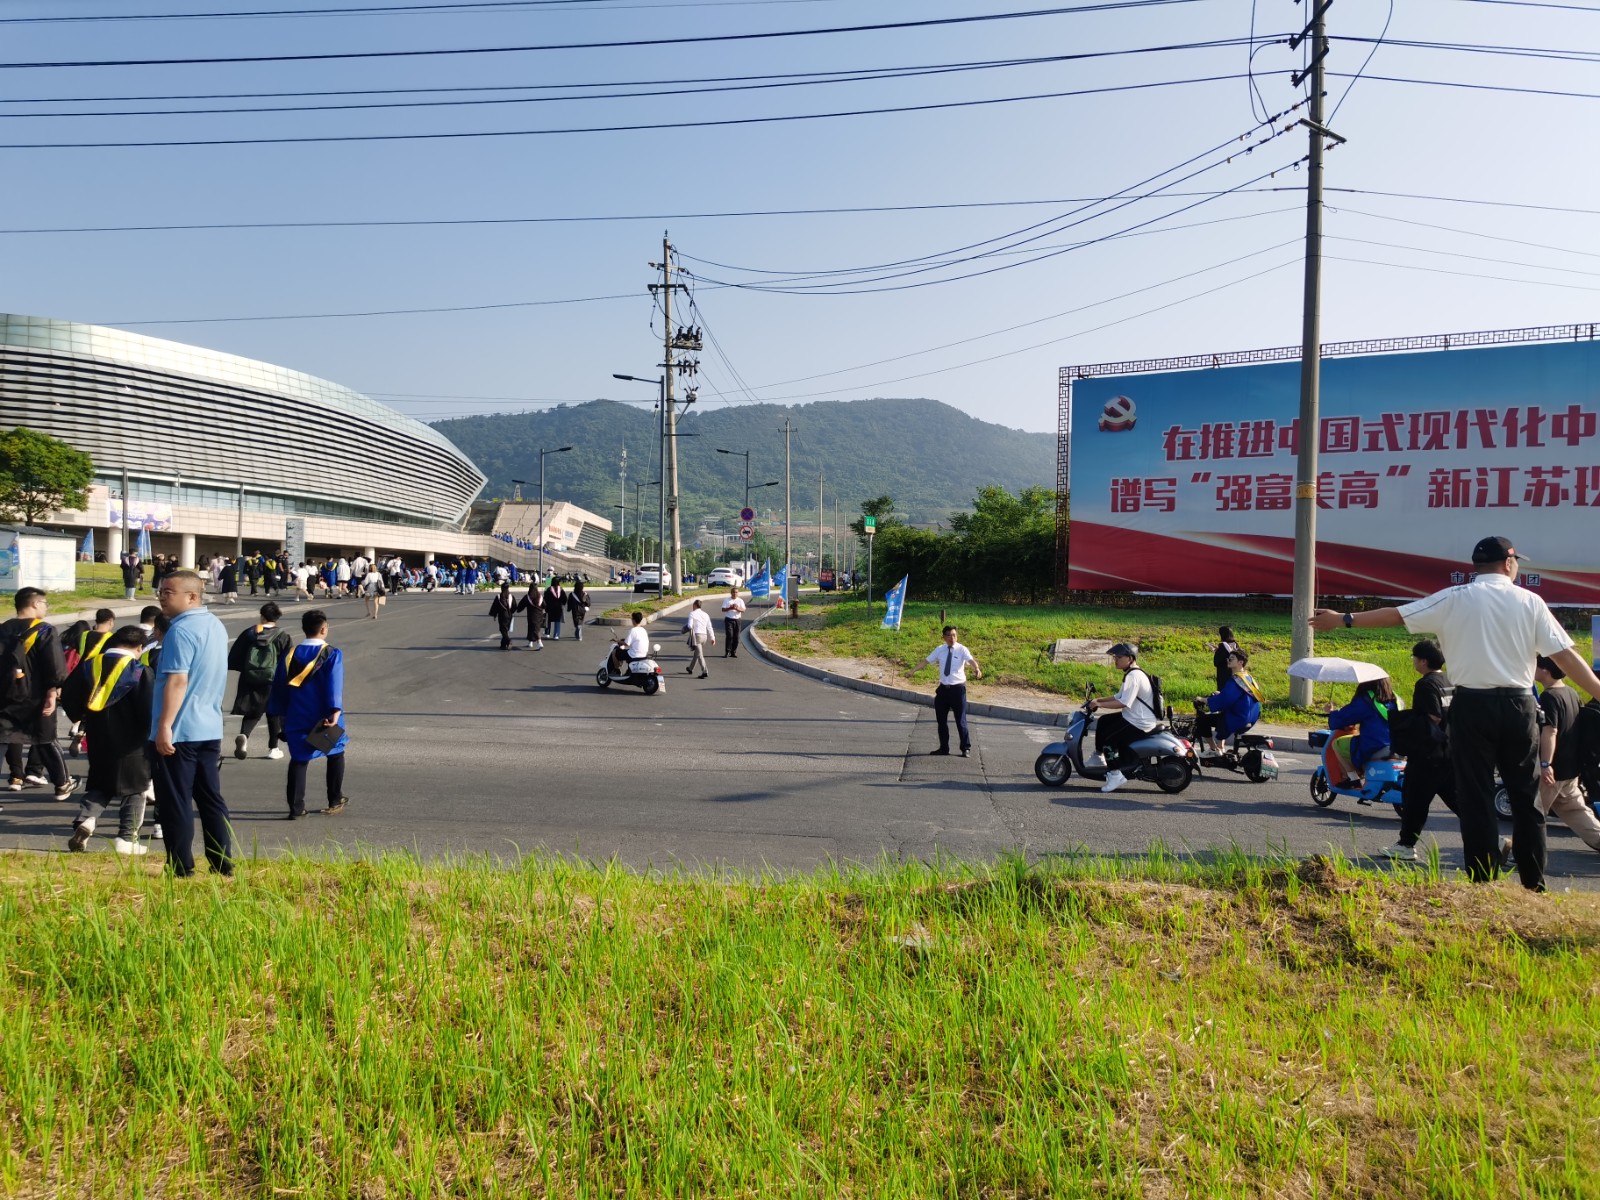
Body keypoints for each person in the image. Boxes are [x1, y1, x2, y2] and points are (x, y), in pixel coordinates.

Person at [1311, 534, 1600, 890]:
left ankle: (1482, 880)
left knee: (1476, 795)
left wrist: (1343, 619)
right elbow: (1566, 656)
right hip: (1519, 706)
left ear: (1476, 566)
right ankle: (1533, 884)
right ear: (1509, 563)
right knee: (1526, 798)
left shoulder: (1453, 598)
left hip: (1471, 706)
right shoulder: (1530, 601)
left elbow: (1396, 615)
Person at [147, 569, 234, 877]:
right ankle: (222, 863)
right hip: (209, 726)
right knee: (211, 798)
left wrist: (164, 726)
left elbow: (177, 680)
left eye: (168, 592)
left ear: (192, 596)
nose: (162, 597)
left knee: (176, 800)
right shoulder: (215, 625)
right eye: (161, 592)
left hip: (180, 730)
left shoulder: (179, 631)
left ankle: (181, 867)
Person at [61, 625, 154, 856]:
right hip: (132, 740)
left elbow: (69, 696)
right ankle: (127, 837)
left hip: (98, 736)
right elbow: (149, 708)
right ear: (139, 647)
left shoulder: (89, 666)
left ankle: (86, 819)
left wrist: (81, 718)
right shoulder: (139, 671)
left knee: (101, 783)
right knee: (136, 788)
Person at [267, 608, 348, 819]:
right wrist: (335, 711)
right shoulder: (332, 654)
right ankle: (335, 799)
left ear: (304, 629)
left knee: (299, 759)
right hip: (324, 716)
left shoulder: (289, 655)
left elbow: (279, 687)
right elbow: (334, 685)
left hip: (297, 714)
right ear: (324, 629)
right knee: (336, 752)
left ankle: (296, 808)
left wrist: (280, 715)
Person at [1381, 641, 1457, 863]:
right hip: (1449, 751)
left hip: (1427, 755)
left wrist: (1405, 723)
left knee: (1414, 801)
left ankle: (1406, 846)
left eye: (1414, 657)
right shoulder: (1449, 681)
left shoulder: (1426, 684)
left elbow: (1433, 716)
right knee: (1460, 801)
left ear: (1423, 661)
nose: (1413, 661)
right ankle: (1491, 839)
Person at [0, 588, 75, 800]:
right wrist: (52, 692)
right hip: (35, 697)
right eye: (44, 603)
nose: (46, 607)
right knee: (45, 739)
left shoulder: (3, 629)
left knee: (2, 740)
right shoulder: (44, 630)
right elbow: (55, 665)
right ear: (34, 604)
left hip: (5, 696)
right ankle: (62, 784)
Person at [1532, 655, 1600, 854]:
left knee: (1532, 813)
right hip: (1571, 768)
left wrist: (1545, 764)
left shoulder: (1549, 697)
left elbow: (1550, 731)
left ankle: (1523, 855)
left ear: (1545, 670)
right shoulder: (1571, 692)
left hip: (1553, 770)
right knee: (1576, 811)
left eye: (1536, 666)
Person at [1086, 643, 1160, 793]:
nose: (1116, 660)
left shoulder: (1134, 676)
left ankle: (1115, 775)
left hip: (1139, 721)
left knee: (1109, 738)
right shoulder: (1132, 673)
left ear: (1130, 658)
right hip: (1134, 716)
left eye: (1119, 657)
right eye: (1115, 657)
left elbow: (1123, 703)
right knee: (1104, 721)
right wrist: (1098, 700)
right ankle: (1099, 755)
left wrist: (1099, 704)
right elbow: (1118, 696)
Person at [228, 602, 292, 760]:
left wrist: (246, 670)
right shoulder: (282, 636)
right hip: (272, 679)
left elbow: (235, 655)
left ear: (262, 616)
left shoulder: (250, 633)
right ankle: (273, 748)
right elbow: (289, 660)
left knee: (252, 711)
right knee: (273, 713)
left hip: (249, 677)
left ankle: (244, 736)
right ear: (277, 618)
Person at [1324, 676, 1398, 785]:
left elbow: (1344, 717)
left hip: (1374, 745)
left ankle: (1353, 778)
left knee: (1337, 744)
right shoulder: (1395, 700)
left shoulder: (1367, 700)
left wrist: (1331, 713)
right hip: (1396, 745)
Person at [922, 625, 982, 758]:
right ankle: (944, 748)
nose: (952, 638)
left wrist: (977, 668)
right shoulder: (940, 649)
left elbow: (970, 660)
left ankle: (965, 748)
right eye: (949, 635)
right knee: (941, 721)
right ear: (944, 637)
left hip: (957, 690)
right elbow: (926, 661)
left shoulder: (962, 649)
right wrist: (912, 671)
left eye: (954, 635)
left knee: (960, 720)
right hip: (943, 690)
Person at [1194, 648, 1262, 754]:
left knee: (1202, 720)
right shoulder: (1247, 677)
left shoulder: (1237, 680)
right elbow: (1235, 696)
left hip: (1238, 717)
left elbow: (1223, 700)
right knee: (1222, 714)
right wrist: (1220, 694)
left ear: (1240, 662)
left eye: (1232, 658)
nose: (1228, 660)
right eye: (1228, 658)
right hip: (1250, 717)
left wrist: (1203, 699)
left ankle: (1213, 749)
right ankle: (1220, 746)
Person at [610, 611, 650, 676]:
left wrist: (617, 641)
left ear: (633, 620)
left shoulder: (633, 630)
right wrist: (623, 641)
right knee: (625, 652)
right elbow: (634, 641)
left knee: (615, 652)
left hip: (634, 655)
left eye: (632, 619)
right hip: (644, 654)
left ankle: (617, 670)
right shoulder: (643, 630)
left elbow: (627, 644)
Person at [684, 599, 715, 679]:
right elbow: (709, 627)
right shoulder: (706, 614)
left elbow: (690, 626)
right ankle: (690, 668)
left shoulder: (692, 613)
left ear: (694, 605)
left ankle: (705, 671)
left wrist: (686, 629)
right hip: (704, 636)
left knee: (700, 655)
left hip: (697, 636)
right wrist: (712, 638)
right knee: (697, 653)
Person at [489, 583, 518, 650]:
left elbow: (495, 606)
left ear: (502, 588)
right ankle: (503, 644)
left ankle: (508, 640)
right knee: (505, 629)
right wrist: (511, 612)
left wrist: (494, 615)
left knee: (503, 630)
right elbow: (515, 606)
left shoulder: (499, 597)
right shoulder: (511, 596)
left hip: (502, 615)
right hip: (509, 615)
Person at [518, 581, 546, 649]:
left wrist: (518, 609)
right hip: (539, 615)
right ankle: (530, 642)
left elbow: (521, 605)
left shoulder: (527, 597)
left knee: (534, 629)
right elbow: (544, 605)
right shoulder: (540, 597)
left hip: (531, 616)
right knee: (534, 628)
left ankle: (539, 643)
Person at [720, 586, 746, 658]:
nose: (735, 593)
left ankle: (733, 652)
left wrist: (737, 608)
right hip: (729, 619)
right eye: (733, 592)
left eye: (736, 592)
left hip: (737, 620)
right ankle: (727, 652)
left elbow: (743, 610)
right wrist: (730, 608)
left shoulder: (740, 601)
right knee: (729, 636)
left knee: (736, 637)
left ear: (738, 593)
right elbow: (723, 609)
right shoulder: (727, 600)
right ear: (731, 593)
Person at [1212, 626, 1240, 692]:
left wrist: (1216, 652)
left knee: (1223, 691)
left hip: (1223, 673)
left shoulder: (1222, 646)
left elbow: (1216, 662)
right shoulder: (1235, 644)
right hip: (1235, 672)